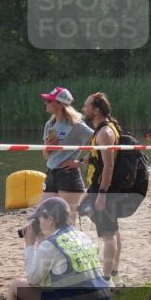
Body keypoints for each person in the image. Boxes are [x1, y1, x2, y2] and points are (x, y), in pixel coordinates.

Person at [0, 197, 110, 300]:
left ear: (50, 219)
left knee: (16, 286)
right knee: (46, 290)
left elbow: (33, 279)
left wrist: (30, 245)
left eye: (39, 219)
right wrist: (42, 240)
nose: (38, 224)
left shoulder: (51, 245)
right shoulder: (82, 236)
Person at [78, 92, 127, 287]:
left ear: (96, 110)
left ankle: (106, 279)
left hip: (104, 189)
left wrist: (102, 195)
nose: (83, 109)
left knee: (107, 235)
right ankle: (114, 273)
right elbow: (97, 156)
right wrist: (80, 162)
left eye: (86, 106)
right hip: (100, 187)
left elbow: (109, 166)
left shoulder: (105, 132)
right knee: (112, 231)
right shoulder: (103, 130)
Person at [38, 87, 93, 225]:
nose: (45, 103)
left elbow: (102, 143)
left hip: (69, 175)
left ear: (59, 104)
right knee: (44, 218)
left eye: (49, 101)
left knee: (68, 221)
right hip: (51, 174)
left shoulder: (76, 125)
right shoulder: (49, 124)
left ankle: (72, 240)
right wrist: (48, 147)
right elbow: (46, 156)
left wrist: (80, 161)